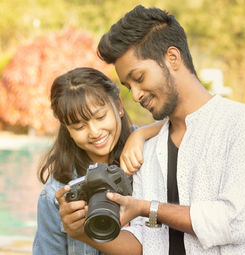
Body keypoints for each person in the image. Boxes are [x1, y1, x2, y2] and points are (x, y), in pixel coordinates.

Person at [56, 5, 245, 255]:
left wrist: (146, 207)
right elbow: (144, 242)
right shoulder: (148, 149)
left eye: (139, 78)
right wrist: (81, 232)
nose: (137, 94)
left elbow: (235, 221)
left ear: (172, 58)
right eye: (129, 86)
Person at [33, 67, 163, 254]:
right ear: (67, 130)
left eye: (100, 117)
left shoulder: (149, 153)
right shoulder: (57, 192)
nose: (94, 132)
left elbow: (187, 121)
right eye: (79, 126)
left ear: (118, 106)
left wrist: (142, 133)